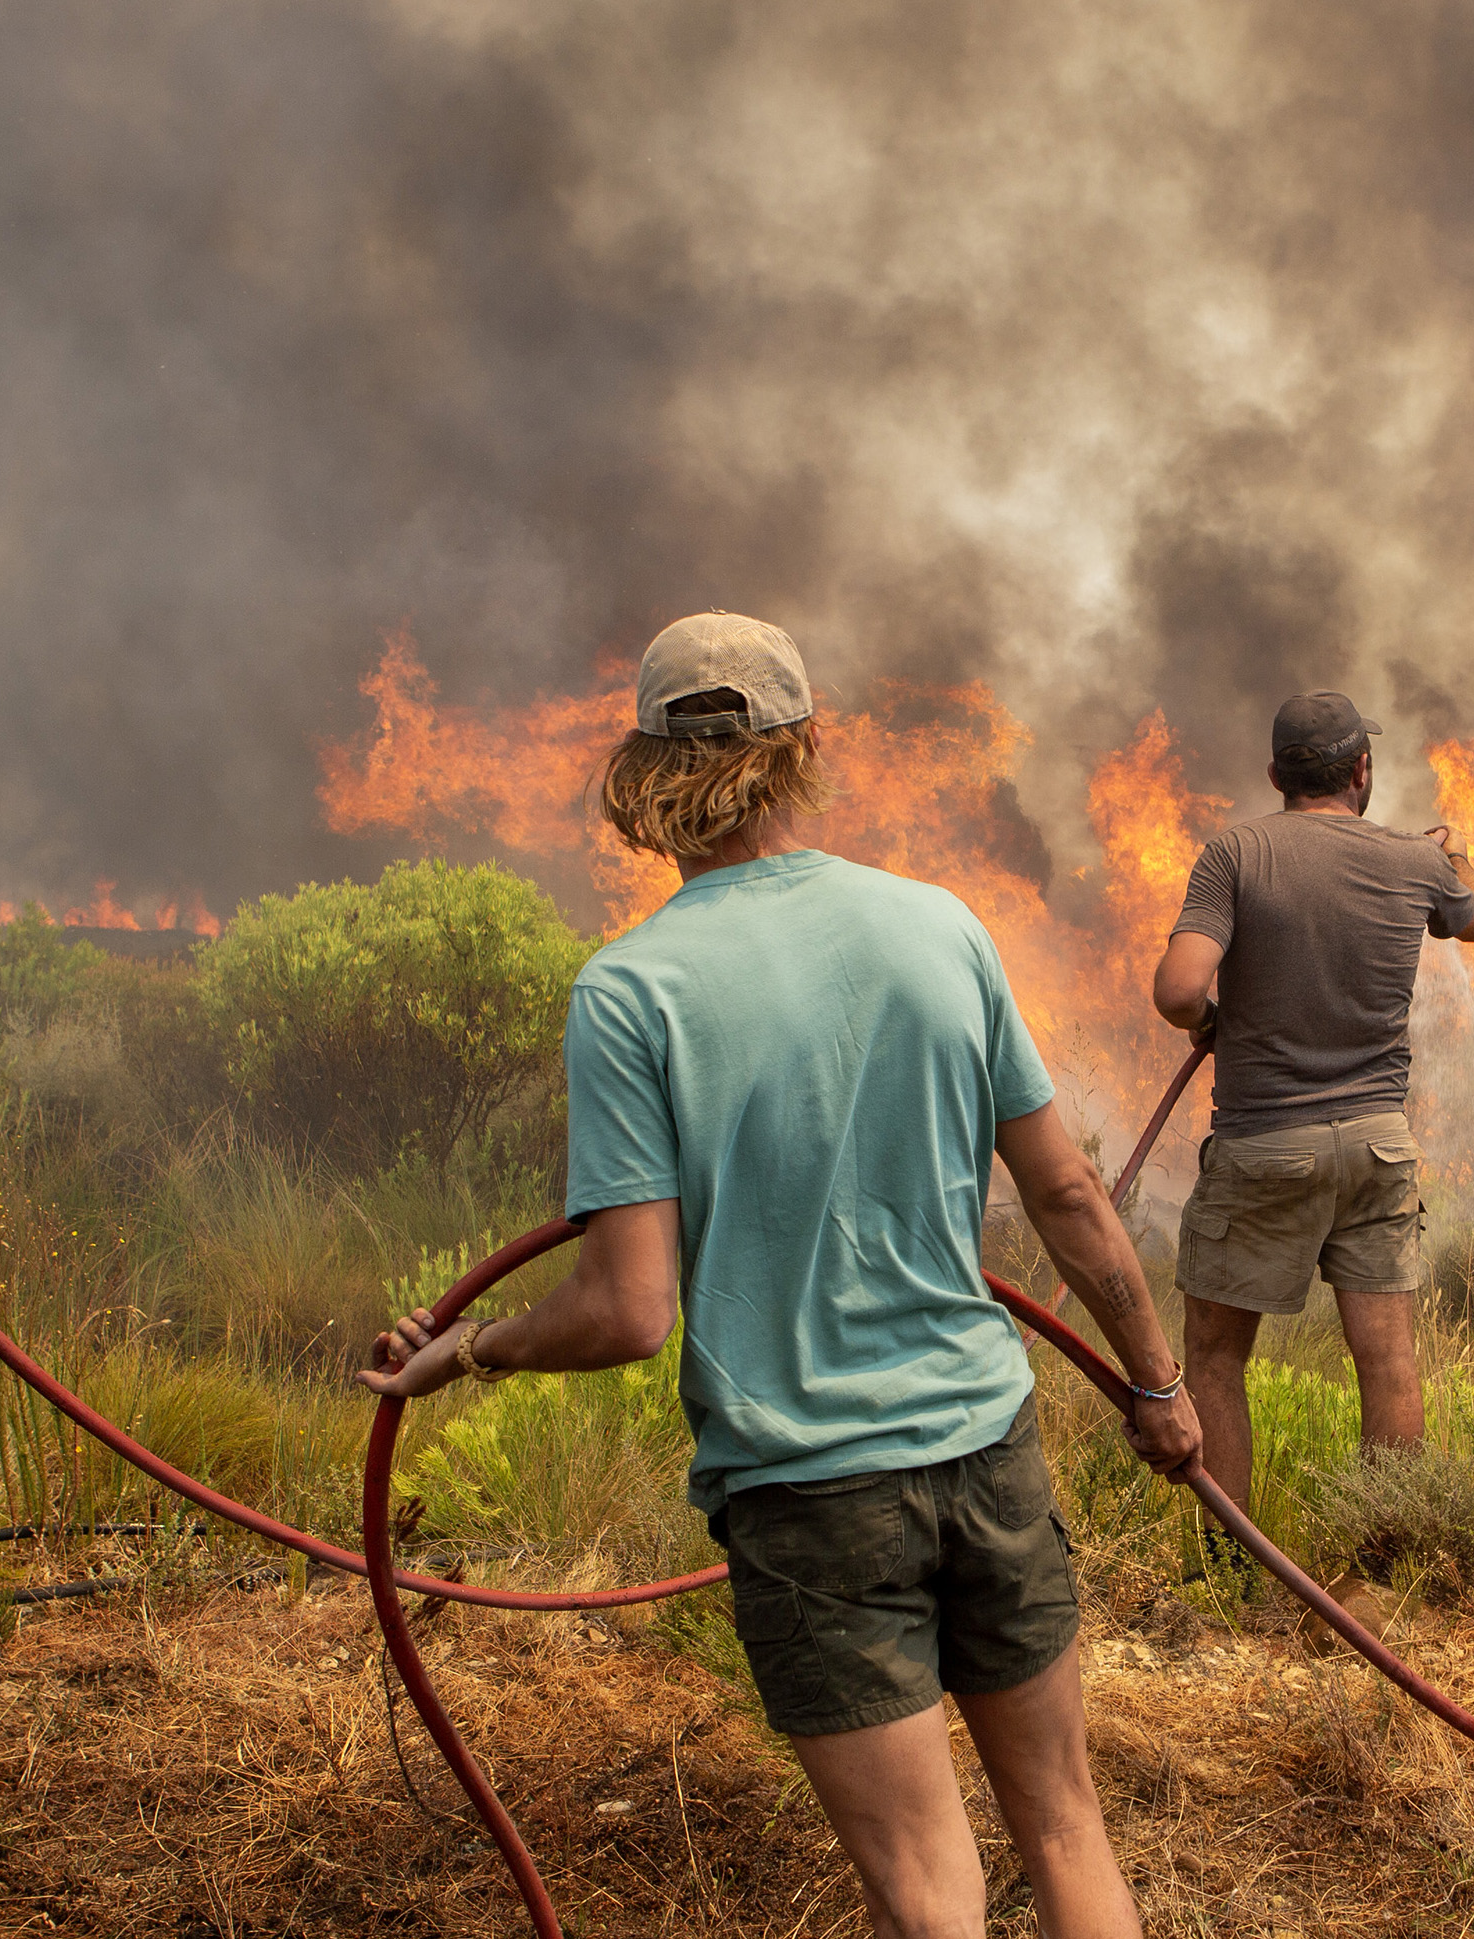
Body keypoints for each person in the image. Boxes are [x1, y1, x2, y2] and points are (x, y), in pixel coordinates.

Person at [362, 612, 1200, 1939]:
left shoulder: (631, 991)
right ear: (803, 748)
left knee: (927, 1884)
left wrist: (468, 1348)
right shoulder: (940, 926)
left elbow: (627, 1307)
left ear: (642, 775)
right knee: (1063, 1824)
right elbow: (1069, 1195)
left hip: (812, 1494)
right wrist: (1154, 1381)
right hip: (988, 1447)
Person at [1145, 692, 1474, 1518]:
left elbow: (1177, 990)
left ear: (1276, 774)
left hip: (1266, 1146)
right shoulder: (1415, 861)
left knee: (1216, 1355)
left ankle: (1234, 1561)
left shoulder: (1235, 853)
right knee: (1385, 1359)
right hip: (1378, 1148)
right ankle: (1382, 1561)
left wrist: (1211, 1022)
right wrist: (1457, 855)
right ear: (1361, 770)